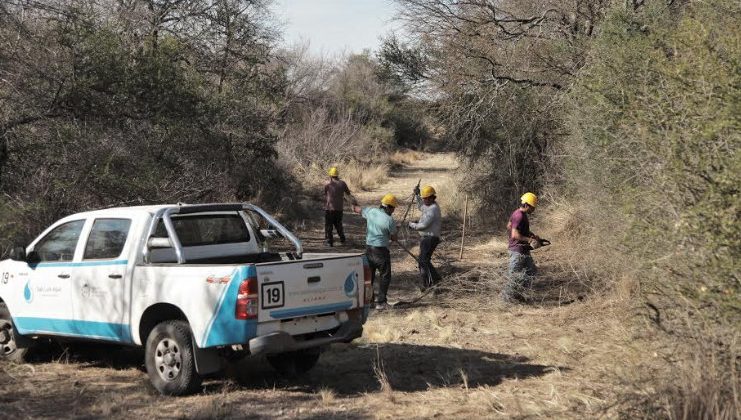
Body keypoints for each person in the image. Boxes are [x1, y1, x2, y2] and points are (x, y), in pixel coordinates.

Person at [352, 194, 398, 310]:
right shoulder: (389, 220)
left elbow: (356, 209)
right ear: (388, 207)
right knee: (385, 276)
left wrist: (351, 200)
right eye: (393, 208)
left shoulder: (371, 211)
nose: (393, 211)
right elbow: (394, 238)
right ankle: (381, 302)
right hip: (381, 251)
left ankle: (369, 301)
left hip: (369, 250)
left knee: (369, 277)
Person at [502, 192, 541, 303]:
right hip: (517, 251)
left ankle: (520, 296)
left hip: (522, 250)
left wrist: (530, 235)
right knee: (514, 277)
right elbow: (515, 234)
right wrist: (529, 240)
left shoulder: (517, 214)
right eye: (532, 207)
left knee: (531, 272)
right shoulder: (519, 216)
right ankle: (505, 300)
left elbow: (509, 226)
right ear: (527, 205)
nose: (533, 210)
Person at [408, 185, 442, 291]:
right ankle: (431, 281)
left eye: (427, 198)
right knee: (423, 261)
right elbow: (421, 207)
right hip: (427, 238)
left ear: (432, 197)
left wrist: (412, 225)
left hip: (430, 238)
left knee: (423, 261)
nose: (425, 200)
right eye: (424, 198)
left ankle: (433, 282)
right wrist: (417, 195)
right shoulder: (429, 206)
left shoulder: (433, 209)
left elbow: (423, 225)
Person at [323, 167, 357, 247]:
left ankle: (329, 242)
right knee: (338, 224)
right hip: (339, 208)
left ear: (330, 175)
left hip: (329, 209)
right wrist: (352, 202)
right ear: (337, 175)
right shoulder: (343, 183)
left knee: (329, 225)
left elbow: (326, 194)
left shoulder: (327, 184)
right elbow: (348, 193)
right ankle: (342, 239)